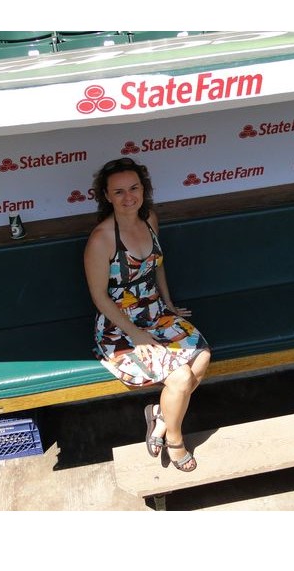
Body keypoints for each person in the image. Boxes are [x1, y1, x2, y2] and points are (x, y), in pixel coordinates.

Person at [83, 157, 211, 472]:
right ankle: (175, 440)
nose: (129, 197)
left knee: (202, 356)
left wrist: (168, 303)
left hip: (155, 313)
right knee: (180, 378)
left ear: (144, 189)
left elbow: (158, 265)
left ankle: (160, 417)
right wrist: (137, 335)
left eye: (134, 188)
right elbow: (99, 296)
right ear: (106, 196)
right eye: (119, 192)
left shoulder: (150, 218)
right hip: (118, 326)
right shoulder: (101, 239)